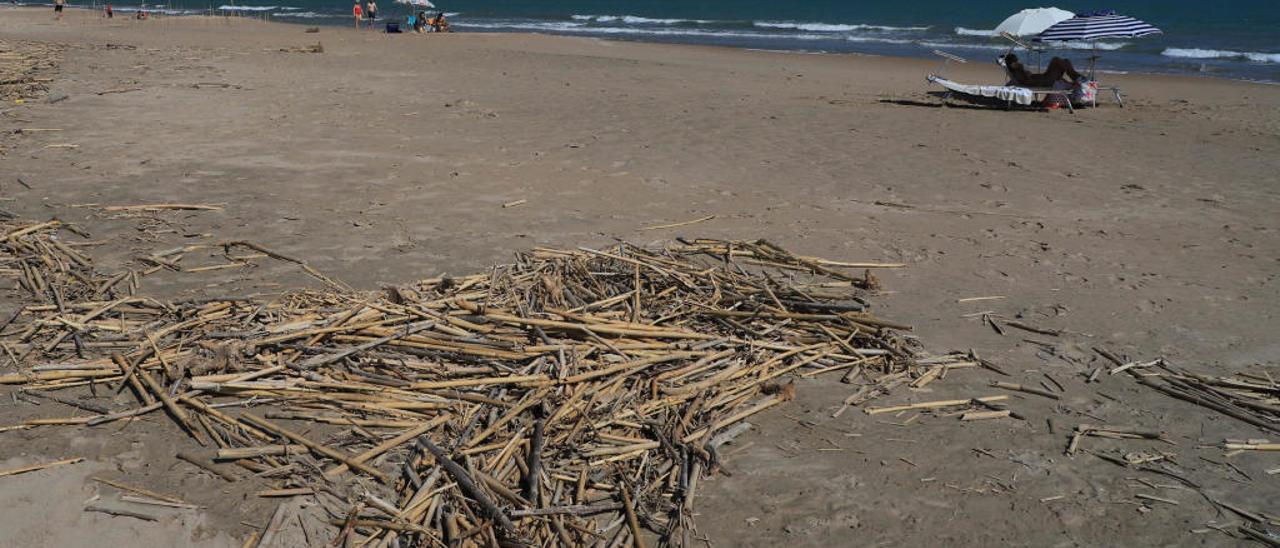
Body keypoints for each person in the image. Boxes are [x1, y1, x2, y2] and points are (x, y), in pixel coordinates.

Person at [1002, 53, 1083, 88]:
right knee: (1057, 60)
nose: (1017, 62)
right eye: (1015, 61)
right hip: (1046, 81)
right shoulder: (1017, 71)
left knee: (1063, 61)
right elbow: (1028, 82)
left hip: (1044, 78)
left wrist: (1024, 71)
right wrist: (1023, 70)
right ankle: (1078, 78)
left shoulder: (1017, 71)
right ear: (1011, 64)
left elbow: (1027, 78)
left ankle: (1077, 78)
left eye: (1017, 61)